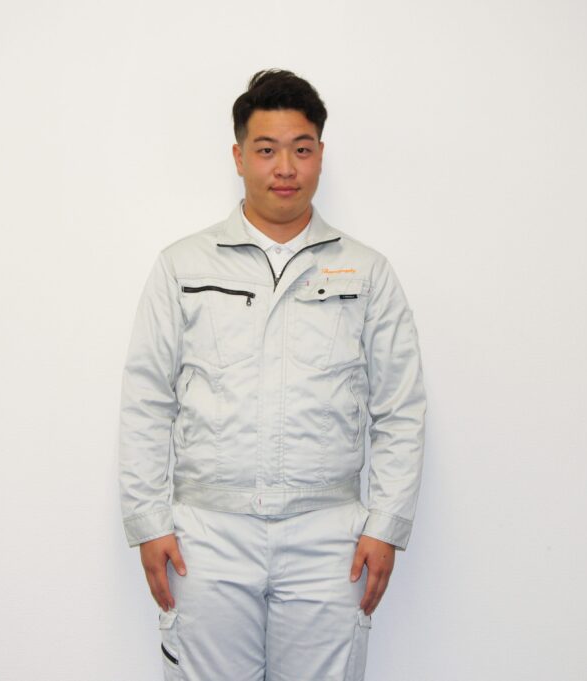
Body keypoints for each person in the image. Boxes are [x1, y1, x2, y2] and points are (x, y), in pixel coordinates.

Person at [118, 69, 426, 681]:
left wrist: (386, 526)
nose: (285, 168)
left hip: (329, 539)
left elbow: (400, 408)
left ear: (320, 155)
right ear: (239, 157)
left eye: (301, 149)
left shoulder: (367, 272)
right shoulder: (183, 267)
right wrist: (149, 523)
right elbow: (147, 399)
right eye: (266, 150)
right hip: (207, 535)